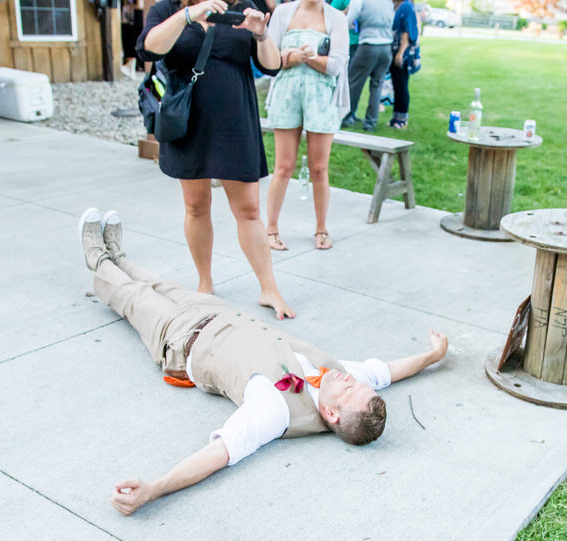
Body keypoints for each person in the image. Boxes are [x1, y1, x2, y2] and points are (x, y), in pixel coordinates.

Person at [75, 209, 449, 516]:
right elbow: (388, 371)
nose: (350, 378)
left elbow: (219, 453)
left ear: (333, 415)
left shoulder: (278, 411)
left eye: (349, 388)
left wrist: (154, 489)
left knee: (132, 296)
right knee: (156, 283)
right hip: (218, 314)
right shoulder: (340, 379)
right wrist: (432, 356)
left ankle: (96, 256)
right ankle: (118, 256)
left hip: (181, 340)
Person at [136, 0, 295, 319]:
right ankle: (205, 283)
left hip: (235, 120)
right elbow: (149, 49)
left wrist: (261, 35)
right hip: (189, 119)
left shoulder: (244, 5)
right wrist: (189, 15)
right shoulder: (168, 7)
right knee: (196, 205)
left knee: (249, 209)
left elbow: (272, 65)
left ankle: (269, 289)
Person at [263, 0, 349, 251]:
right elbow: (270, 59)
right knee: (283, 166)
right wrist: (293, 57)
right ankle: (271, 229)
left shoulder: (336, 18)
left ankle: (321, 229)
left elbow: (335, 65)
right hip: (286, 95)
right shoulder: (282, 13)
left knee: (319, 168)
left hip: (321, 98)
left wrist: (304, 58)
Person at [339, 0, 394, 131]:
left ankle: (346, 117)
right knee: (377, 86)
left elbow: (348, 20)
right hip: (386, 47)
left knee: (354, 82)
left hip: (368, 45)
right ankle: (371, 122)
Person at [387, 0, 417, 129]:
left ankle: (402, 120)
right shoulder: (397, 5)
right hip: (395, 51)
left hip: (403, 53)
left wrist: (400, 52)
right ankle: (396, 119)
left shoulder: (406, 6)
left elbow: (407, 32)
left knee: (401, 86)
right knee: (397, 86)